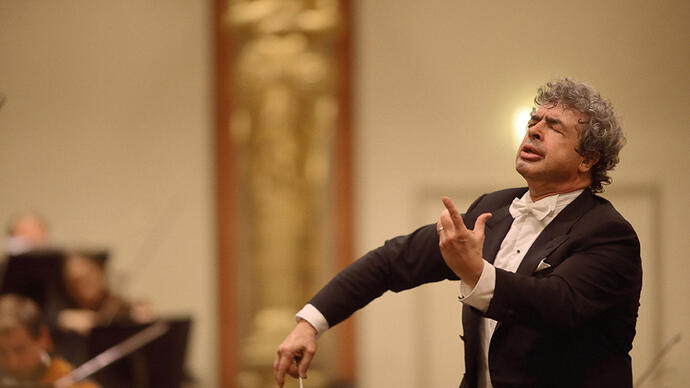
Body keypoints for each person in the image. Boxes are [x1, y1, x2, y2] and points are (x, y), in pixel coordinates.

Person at [273, 79, 642, 388]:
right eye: (534, 120)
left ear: (588, 159)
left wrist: (475, 273)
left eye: (554, 126)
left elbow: (558, 306)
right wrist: (311, 322)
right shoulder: (494, 209)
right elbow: (395, 260)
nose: (533, 130)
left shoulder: (608, 233)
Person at [0, 294, 100, 387]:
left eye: (20, 350)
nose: (13, 363)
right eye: (2, 352)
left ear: (44, 338)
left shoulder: (78, 385)